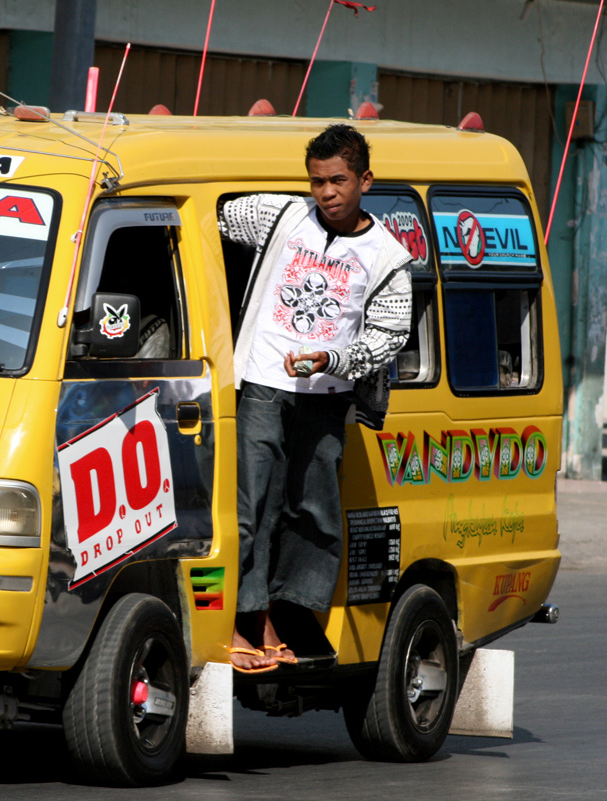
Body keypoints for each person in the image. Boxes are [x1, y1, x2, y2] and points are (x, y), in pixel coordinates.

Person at [218, 124, 412, 673]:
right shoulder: (279, 217)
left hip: (327, 398)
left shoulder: (388, 258)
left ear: (365, 180)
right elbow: (207, 216)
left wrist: (333, 361)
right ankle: (244, 618)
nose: (326, 193)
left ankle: (290, 615)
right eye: (317, 182)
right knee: (251, 505)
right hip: (260, 385)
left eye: (338, 181)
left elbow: (387, 337)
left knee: (314, 512)